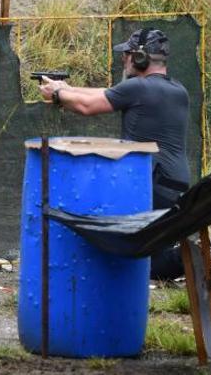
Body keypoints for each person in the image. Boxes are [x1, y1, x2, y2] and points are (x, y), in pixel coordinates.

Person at [39, 28, 190, 280]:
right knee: (146, 253)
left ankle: (183, 258)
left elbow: (87, 106)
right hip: (174, 187)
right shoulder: (177, 89)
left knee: (122, 256)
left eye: (128, 54)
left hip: (150, 184)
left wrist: (56, 95)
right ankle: (180, 253)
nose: (124, 59)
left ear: (140, 58)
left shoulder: (138, 88)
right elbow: (107, 93)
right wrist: (67, 87)